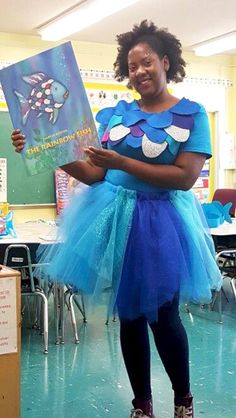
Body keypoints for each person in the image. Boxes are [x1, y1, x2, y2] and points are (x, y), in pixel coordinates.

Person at [12, 20, 222, 418]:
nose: (139, 71)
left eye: (146, 63)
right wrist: (40, 146)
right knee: (128, 314)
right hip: (115, 216)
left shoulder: (192, 115)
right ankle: (141, 404)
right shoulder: (115, 114)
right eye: (132, 66)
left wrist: (123, 160)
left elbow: (185, 177)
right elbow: (95, 173)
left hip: (162, 222)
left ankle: (183, 401)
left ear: (165, 61)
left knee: (163, 315)